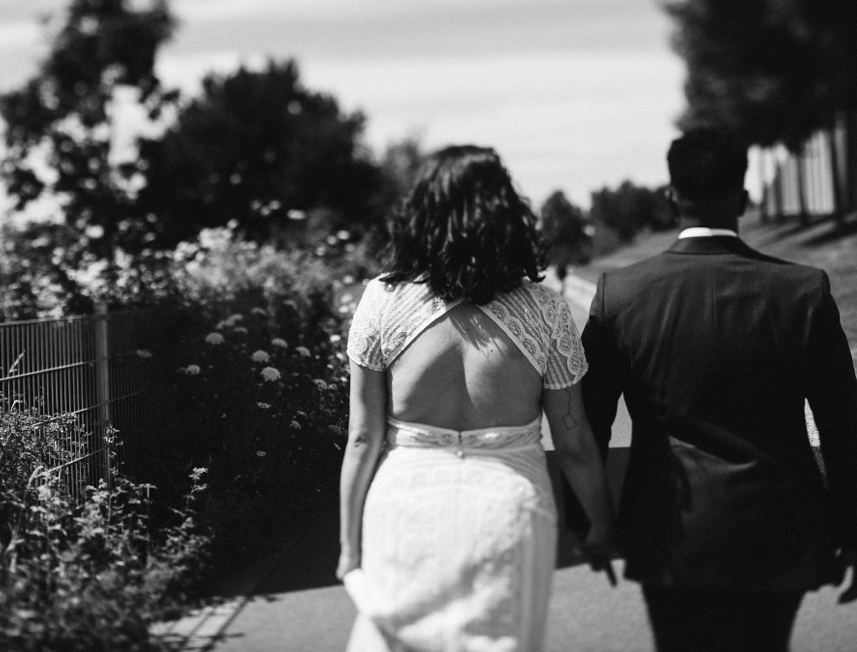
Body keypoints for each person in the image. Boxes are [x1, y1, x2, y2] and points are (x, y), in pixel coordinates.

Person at [577, 128, 857, 652]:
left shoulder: (622, 295)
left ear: (670, 198)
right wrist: (852, 527)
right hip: (780, 533)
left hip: (669, 535)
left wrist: (589, 522)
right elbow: (844, 427)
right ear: (745, 198)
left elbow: (587, 423)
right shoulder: (804, 291)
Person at [337, 145, 617, 651]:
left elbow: (362, 437)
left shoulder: (382, 300)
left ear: (421, 214)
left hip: (404, 505)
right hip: (508, 512)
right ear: (506, 214)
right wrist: (599, 523)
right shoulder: (546, 311)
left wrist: (348, 545)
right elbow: (573, 442)